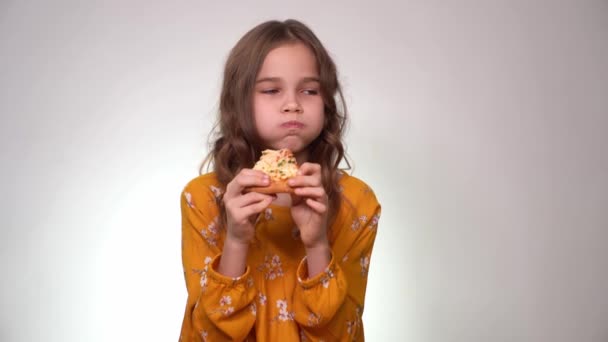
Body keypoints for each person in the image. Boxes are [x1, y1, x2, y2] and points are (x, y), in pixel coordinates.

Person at [179, 19, 381, 341]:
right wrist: (236, 240)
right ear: (239, 100)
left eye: (309, 90)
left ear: (327, 103)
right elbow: (207, 334)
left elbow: (341, 333)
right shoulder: (202, 197)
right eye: (272, 90)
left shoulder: (357, 202)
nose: (292, 104)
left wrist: (316, 244)